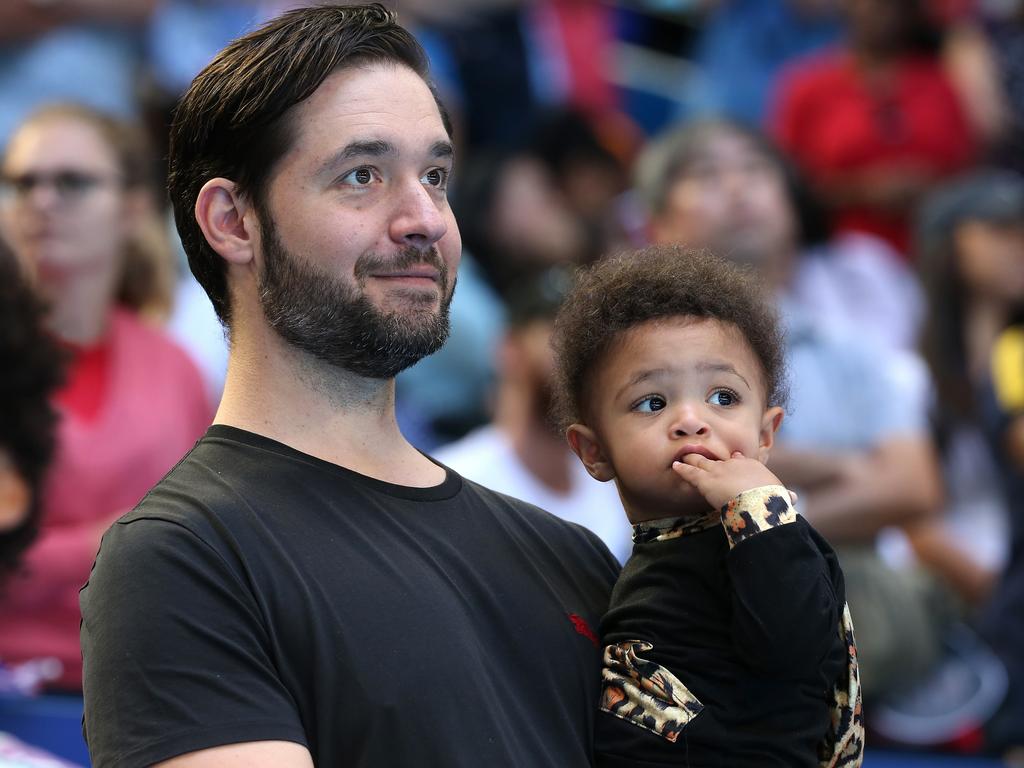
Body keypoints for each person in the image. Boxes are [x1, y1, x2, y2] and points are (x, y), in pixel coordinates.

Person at [79, 5, 619, 767]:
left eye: (436, 175)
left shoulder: (571, 555)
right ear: (233, 221)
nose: (425, 218)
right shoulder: (182, 562)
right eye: (362, 176)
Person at [632, 116, 945, 705]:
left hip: (848, 626)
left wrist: (754, 518)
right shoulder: (635, 354)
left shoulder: (850, 351)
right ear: (660, 223)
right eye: (706, 174)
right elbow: (675, 482)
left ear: (791, 207)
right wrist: (845, 469)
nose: (738, 188)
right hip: (697, 635)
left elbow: (912, 486)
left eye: (755, 170)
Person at [550, 246, 862, 767]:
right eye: (653, 402)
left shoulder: (776, 542)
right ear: (595, 451)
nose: (693, 420)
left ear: (766, 435)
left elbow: (794, 650)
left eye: (723, 397)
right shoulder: (644, 562)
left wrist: (759, 511)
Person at [0, 103, 213, 691]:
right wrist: (126, 538)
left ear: (133, 207)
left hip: (151, 686)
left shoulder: (175, 370)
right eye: (22, 183)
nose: (41, 200)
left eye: (71, 181)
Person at [433, 268, 634, 564]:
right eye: (558, 331)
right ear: (509, 348)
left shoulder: (615, 484)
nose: (578, 353)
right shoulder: (458, 480)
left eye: (587, 338)